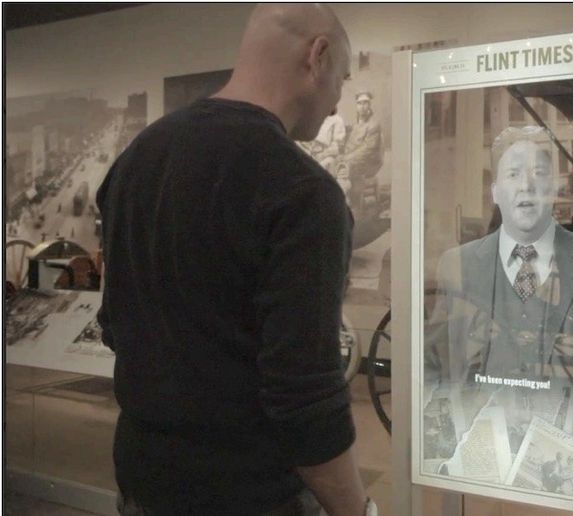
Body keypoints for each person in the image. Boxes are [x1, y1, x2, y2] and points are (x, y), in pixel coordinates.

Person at [96, 5, 371, 515]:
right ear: (318, 56)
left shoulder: (136, 159)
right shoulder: (303, 192)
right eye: (343, 77)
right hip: (250, 496)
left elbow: (115, 327)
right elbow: (305, 399)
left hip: (142, 482)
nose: (338, 101)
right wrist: (359, 510)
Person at [429, 126, 573, 391]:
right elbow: (434, 363)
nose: (526, 186)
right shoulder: (456, 266)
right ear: (495, 192)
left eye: (538, 173)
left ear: (554, 186)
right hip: (483, 417)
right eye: (513, 174)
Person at [339, 91, 383, 210]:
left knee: (344, 169)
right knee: (332, 163)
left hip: (368, 161)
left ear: (369, 105)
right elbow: (347, 145)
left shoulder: (374, 125)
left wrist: (346, 158)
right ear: (356, 106)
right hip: (350, 160)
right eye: (359, 103)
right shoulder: (354, 126)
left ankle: (347, 203)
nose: (362, 106)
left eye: (365, 103)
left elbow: (368, 149)